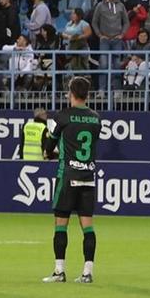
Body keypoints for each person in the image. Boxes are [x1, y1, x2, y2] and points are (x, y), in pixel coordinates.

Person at [43, 76, 101, 284]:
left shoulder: (63, 116)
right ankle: (87, 272)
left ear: (71, 93)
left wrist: (50, 152)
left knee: (61, 224)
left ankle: (59, 271)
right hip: (88, 177)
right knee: (88, 226)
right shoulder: (95, 118)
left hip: (68, 176)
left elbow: (50, 146)